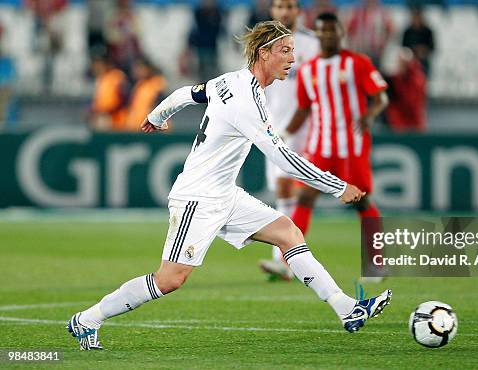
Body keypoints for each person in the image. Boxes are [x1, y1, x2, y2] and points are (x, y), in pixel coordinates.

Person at [67, 20, 392, 350]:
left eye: (293, 50)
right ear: (264, 53)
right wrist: (336, 186)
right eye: (285, 51)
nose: (293, 58)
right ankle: (87, 319)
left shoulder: (230, 81)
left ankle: (347, 308)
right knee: (170, 280)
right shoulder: (247, 100)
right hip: (198, 197)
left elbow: (186, 94)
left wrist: (156, 116)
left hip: (224, 193)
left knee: (289, 233)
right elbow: (282, 157)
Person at [287, 13, 388, 279]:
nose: (328, 35)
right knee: (305, 196)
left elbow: (380, 98)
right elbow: (303, 109)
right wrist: (283, 134)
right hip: (320, 144)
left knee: (360, 201)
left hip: (351, 144)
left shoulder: (358, 63)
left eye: (332, 31)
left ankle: (377, 261)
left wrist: (369, 115)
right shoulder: (308, 70)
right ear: (317, 34)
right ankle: (289, 260)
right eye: (323, 31)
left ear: (341, 32)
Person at [258, 0, 320, 281]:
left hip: (309, 129)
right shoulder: (261, 44)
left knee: (294, 191)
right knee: (284, 192)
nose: (285, 11)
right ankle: (286, 262)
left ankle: (284, 261)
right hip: (274, 129)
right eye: (280, 6)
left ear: (299, 11)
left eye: (290, 6)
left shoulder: (312, 44)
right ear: (273, 11)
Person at [346, 0, 393, 68]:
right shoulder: (358, 12)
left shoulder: (382, 13)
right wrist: (353, 46)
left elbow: (389, 30)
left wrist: (383, 45)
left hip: (376, 52)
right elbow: (350, 30)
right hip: (361, 51)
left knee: (374, 73)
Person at [124, 57, 166, 131]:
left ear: (148, 69)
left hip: (151, 127)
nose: (138, 71)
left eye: (141, 68)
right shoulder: (139, 84)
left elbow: (160, 104)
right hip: (136, 126)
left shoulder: (157, 82)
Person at [89, 53, 129, 131]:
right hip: (103, 118)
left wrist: (106, 112)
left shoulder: (117, 76)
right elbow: (98, 101)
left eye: (99, 64)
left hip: (117, 120)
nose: (96, 67)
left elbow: (123, 99)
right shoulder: (100, 79)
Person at [401, 6, 434, 78]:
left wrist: (423, 50)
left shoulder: (427, 31)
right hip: (410, 60)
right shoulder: (408, 31)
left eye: (417, 17)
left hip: (423, 60)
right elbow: (403, 47)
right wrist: (413, 51)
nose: (416, 19)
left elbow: (432, 47)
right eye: (414, 17)